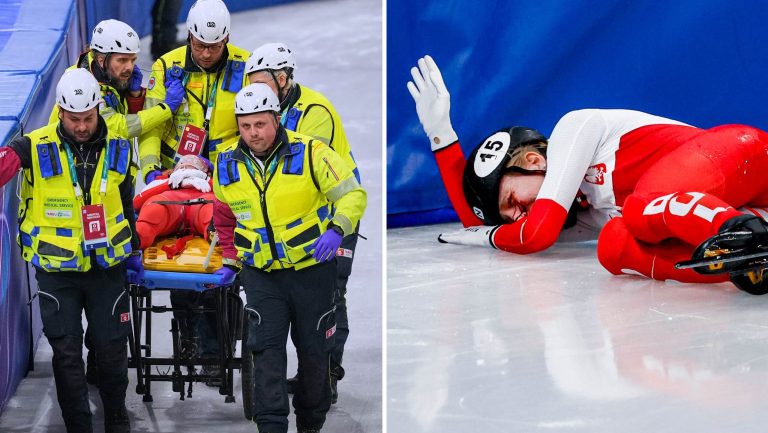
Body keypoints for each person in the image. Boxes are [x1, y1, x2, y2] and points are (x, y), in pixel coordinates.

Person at [407, 55, 768, 294]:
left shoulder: (573, 127)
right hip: (744, 202)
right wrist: (442, 137)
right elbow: (484, 223)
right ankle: (748, 264)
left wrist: (488, 238)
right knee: (614, 244)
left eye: (513, 202)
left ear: (533, 161)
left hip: (746, 153)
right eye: (510, 216)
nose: (517, 217)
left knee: (640, 211)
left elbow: (534, 235)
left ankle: (742, 235)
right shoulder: (584, 214)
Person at [213, 83, 366, 433]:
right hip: (262, 276)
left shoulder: (311, 152)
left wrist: (337, 228)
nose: (253, 133)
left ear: (276, 119)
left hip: (312, 272)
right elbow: (222, 212)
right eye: (246, 125)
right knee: (265, 353)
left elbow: (353, 196)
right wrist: (229, 255)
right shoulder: (225, 164)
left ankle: (310, 423)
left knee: (314, 354)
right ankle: (271, 426)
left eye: (260, 124)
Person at [0, 69, 142, 432]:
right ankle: (78, 425)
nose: (81, 127)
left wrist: (135, 252)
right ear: (61, 112)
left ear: (98, 109)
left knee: (111, 351)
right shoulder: (31, 145)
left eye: (88, 118)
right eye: (74, 119)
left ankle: (116, 416)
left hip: (106, 268)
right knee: (66, 355)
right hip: (56, 269)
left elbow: (126, 206)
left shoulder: (120, 148)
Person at [245, 41, 361, 402]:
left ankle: (328, 374)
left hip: (332, 219)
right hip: (292, 223)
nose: (253, 90)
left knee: (332, 292)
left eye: (261, 82)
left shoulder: (316, 111)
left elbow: (308, 175)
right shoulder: (261, 108)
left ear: (283, 79)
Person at [140, 0, 250, 184]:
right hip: (175, 169)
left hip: (230, 169)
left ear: (226, 39)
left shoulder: (248, 66)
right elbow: (152, 125)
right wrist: (151, 170)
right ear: (189, 35)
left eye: (215, 46)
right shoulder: (165, 66)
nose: (206, 54)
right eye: (200, 46)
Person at [50, 19, 185, 140]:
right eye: (122, 60)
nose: (129, 67)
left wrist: (135, 96)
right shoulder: (81, 85)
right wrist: (166, 108)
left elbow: (130, 119)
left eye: (132, 60)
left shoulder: (109, 76)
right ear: (101, 60)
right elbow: (122, 128)